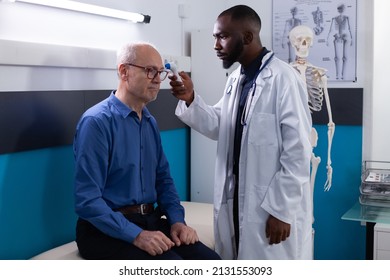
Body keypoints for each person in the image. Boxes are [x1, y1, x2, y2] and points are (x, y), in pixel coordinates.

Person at [169, 5, 313, 259]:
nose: (215, 44)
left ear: (247, 37)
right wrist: (190, 98)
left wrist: (281, 210)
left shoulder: (284, 79)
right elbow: (220, 124)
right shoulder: (238, 79)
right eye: (215, 36)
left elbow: (298, 152)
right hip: (237, 202)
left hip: (271, 208)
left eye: (222, 36)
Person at [73, 42, 221, 260]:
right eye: (150, 70)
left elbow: (164, 181)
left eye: (160, 72)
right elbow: (87, 200)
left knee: (212, 262)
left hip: (149, 220)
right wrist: (136, 235)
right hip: (103, 230)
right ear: (124, 71)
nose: (156, 80)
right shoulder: (97, 122)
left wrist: (177, 221)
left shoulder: (149, 121)